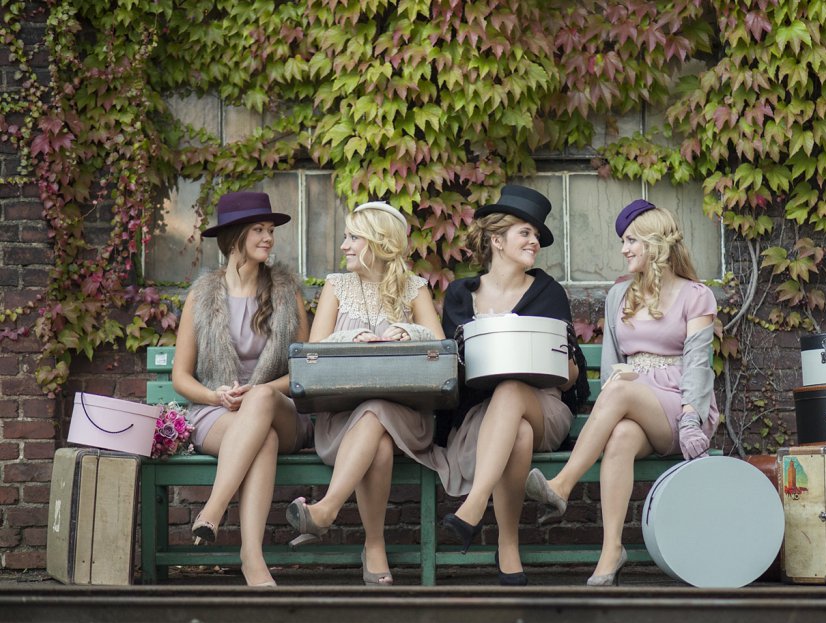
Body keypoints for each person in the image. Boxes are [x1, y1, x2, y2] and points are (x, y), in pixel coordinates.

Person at [524, 199, 718, 586]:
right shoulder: (618, 296)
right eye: (623, 242)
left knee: (618, 392)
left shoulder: (696, 295)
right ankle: (611, 550)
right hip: (634, 404)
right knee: (621, 437)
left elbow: (698, 363)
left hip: (679, 408)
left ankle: (561, 485)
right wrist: (618, 394)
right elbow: (615, 364)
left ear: (655, 243)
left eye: (631, 241)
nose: (623, 249)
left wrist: (692, 415)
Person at [284, 201, 445, 586]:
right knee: (379, 442)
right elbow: (312, 353)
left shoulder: (414, 288)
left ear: (379, 241)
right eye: (346, 237)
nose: (344, 246)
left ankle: (326, 510)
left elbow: (442, 350)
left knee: (377, 412)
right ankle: (374, 545)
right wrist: (348, 339)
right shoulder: (336, 287)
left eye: (353, 237)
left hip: (407, 417)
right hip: (341, 420)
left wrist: (412, 333)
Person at [436, 185, 589, 586]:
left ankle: (472, 508)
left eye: (537, 235)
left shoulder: (547, 292)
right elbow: (450, 370)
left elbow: (572, 374)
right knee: (514, 429)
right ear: (497, 239)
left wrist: (552, 362)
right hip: (482, 420)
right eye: (526, 232)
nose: (535, 241)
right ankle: (508, 545)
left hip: (544, 409)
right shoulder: (459, 296)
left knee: (513, 393)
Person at [172, 190, 313, 587]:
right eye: (258, 230)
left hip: (282, 407)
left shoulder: (287, 293)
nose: (268, 237)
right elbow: (181, 377)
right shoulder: (202, 296)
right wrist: (216, 396)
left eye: (270, 230)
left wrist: (258, 391)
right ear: (234, 236)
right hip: (218, 412)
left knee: (264, 399)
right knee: (261, 439)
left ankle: (212, 512)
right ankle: (252, 558)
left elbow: (305, 369)